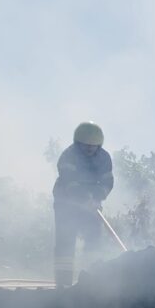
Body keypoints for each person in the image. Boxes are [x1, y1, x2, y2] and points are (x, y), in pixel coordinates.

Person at [52, 121, 114, 287]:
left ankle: (91, 279)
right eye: (86, 145)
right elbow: (69, 181)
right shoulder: (68, 156)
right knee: (65, 241)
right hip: (66, 204)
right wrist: (83, 198)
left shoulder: (104, 158)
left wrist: (97, 197)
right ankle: (63, 283)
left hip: (92, 204)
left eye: (93, 145)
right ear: (78, 142)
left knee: (94, 240)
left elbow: (107, 182)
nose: (90, 148)